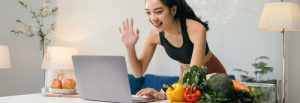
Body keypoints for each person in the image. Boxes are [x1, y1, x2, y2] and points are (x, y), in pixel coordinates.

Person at [119, 0, 227, 100]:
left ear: (173, 10)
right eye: (148, 13)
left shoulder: (196, 29)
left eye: (158, 12)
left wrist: (165, 93)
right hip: (186, 82)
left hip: (214, 79)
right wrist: (130, 47)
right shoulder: (154, 35)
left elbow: (195, 73)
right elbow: (139, 72)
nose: (153, 18)